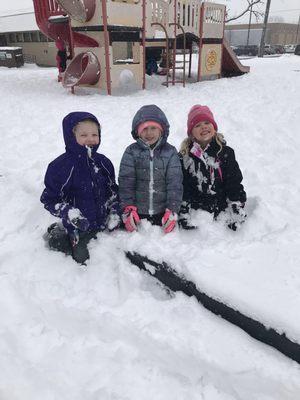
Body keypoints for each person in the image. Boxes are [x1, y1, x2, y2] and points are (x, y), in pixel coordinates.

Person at [41, 112, 120, 264]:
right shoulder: (61, 167)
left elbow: (112, 191)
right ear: (71, 137)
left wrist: (115, 209)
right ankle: (58, 235)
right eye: (83, 135)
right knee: (82, 260)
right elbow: (50, 199)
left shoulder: (103, 162)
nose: (90, 139)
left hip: (103, 222)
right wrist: (69, 214)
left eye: (94, 134)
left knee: (113, 256)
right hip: (78, 228)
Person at [178, 105, 247, 231]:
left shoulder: (226, 153)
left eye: (207, 122)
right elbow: (183, 185)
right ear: (191, 133)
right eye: (197, 125)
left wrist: (235, 202)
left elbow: (233, 181)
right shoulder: (185, 157)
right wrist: (184, 207)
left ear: (214, 127)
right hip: (197, 207)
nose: (203, 127)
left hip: (221, 204)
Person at [118, 105, 183, 234]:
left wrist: (172, 209)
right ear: (137, 132)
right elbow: (126, 183)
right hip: (138, 214)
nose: (149, 133)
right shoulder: (131, 152)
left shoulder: (170, 152)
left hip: (163, 213)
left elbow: (174, 183)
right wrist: (128, 209)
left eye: (153, 128)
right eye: (144, 129)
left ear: (161, 130)